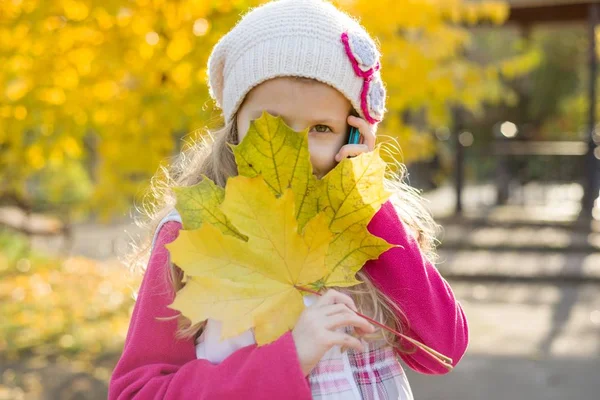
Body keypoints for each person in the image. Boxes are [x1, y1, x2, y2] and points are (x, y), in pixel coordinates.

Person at [109, 1, 468, 399]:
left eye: (321, 127)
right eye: (272, 124)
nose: (293, 148)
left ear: (353, 136)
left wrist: (371, 208)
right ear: (234, 128)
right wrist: (289, 358)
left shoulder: (368, 225)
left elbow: (442, 352)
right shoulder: (193, 232)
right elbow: (137, 392)